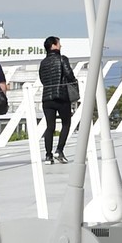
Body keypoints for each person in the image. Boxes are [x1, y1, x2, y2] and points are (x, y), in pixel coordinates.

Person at [39, 34, 79, 163]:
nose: (60, 45)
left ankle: (48, 155)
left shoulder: (43, 62)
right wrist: (74, 82)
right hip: (61, 97)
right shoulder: (62, 59)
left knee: (49, 127)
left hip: (47, 99)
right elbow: (69, 75)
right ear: (53, 46)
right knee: (66, 123)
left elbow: (42, 79)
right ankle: (59, 150)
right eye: (58, 43)